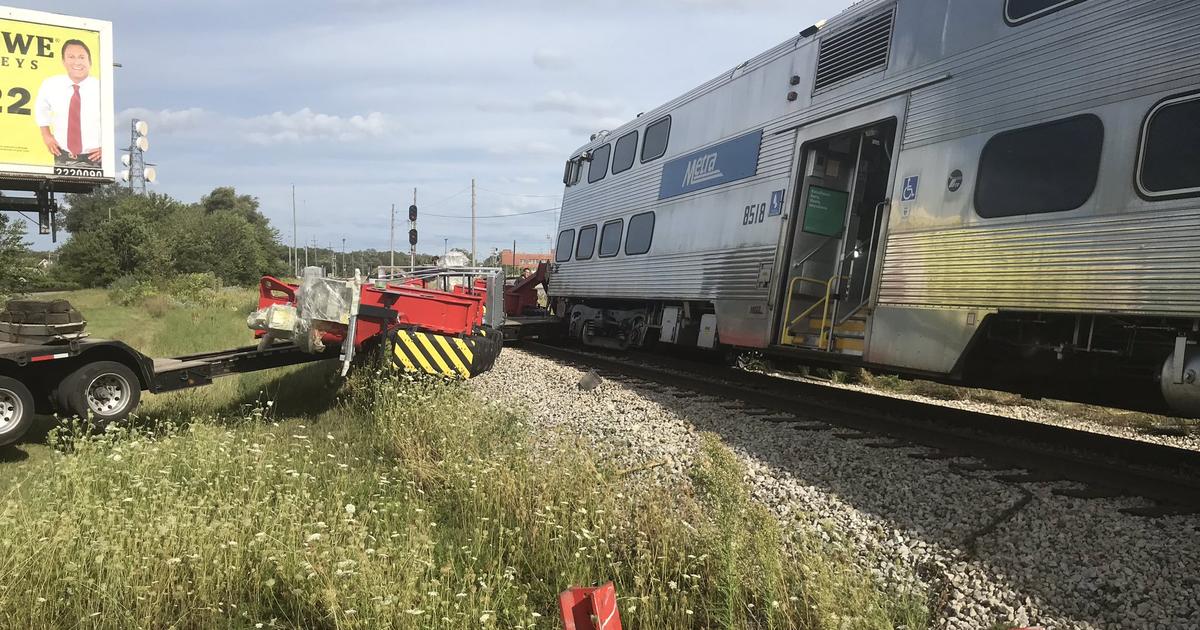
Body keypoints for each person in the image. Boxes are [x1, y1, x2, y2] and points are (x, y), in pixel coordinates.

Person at [34, 39, 102, 168]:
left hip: (94, 158)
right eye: (71, 57)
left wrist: (107, 149)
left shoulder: (101, 87)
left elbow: (112, 121)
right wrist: (46, 135)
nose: (77, 62)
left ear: (89, 61)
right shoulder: (51, 84)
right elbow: (40, 109)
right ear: (63, 62)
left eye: (82, 57)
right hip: (62, 155)